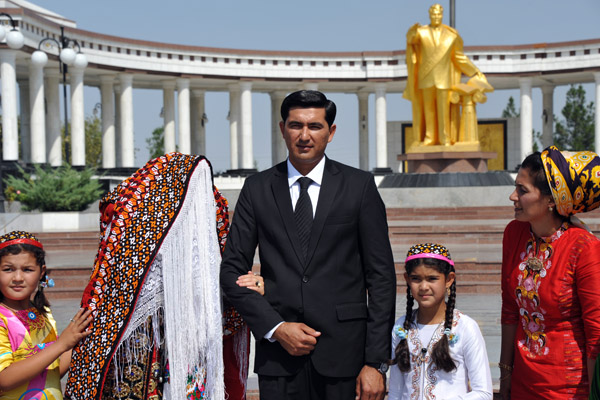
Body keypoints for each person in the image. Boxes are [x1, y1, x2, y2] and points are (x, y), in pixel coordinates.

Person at [220, 90, 397, 400]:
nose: (304, 135)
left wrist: (376, 363)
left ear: (331, 132)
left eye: (314, 126)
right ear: (282, 129)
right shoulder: (257, 188)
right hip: (279, 358)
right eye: (295, 125)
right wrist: (275, 327)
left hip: (346, 359)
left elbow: (381, 278)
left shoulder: (359, 187)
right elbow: (231, 271)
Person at [500, 146, 600, 399]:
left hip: (570, 388)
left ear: (551, 200)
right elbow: (510, 309)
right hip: (523, 383)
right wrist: (506, 377)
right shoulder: (514, 233)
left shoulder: (583, 247)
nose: (513, 196)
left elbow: (595, 330)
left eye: (522, 190)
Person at [389, 243, 492, 400]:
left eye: (432, 279)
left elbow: (483, 393)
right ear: (407, 280)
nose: (423, 286)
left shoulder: (465, 327)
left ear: (449, 280)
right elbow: (396, 392)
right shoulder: (401, 327)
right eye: (416, 279)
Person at [0, 230, 91, 400]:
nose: (18, 277)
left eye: (27, 269)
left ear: (41, 272)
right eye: (8, 269)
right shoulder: (2, 318)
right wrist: (62, 344)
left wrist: (77, 340)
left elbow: (52, 372)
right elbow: (4, 379)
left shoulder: (44, 314)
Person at [403, 3, 486, 146]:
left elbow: (459, 57)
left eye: (438, 14)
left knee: (444, 111)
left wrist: (475, 71)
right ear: (429, 15)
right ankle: (429, 137)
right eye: (433, 14)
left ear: (442, 15)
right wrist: (410, 32)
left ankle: (444, 137)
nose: (436, 17)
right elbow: (411, 41)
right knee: (428, 110)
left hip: (444, 79)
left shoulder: (451, 36)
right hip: (426, 78)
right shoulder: (422, 33)